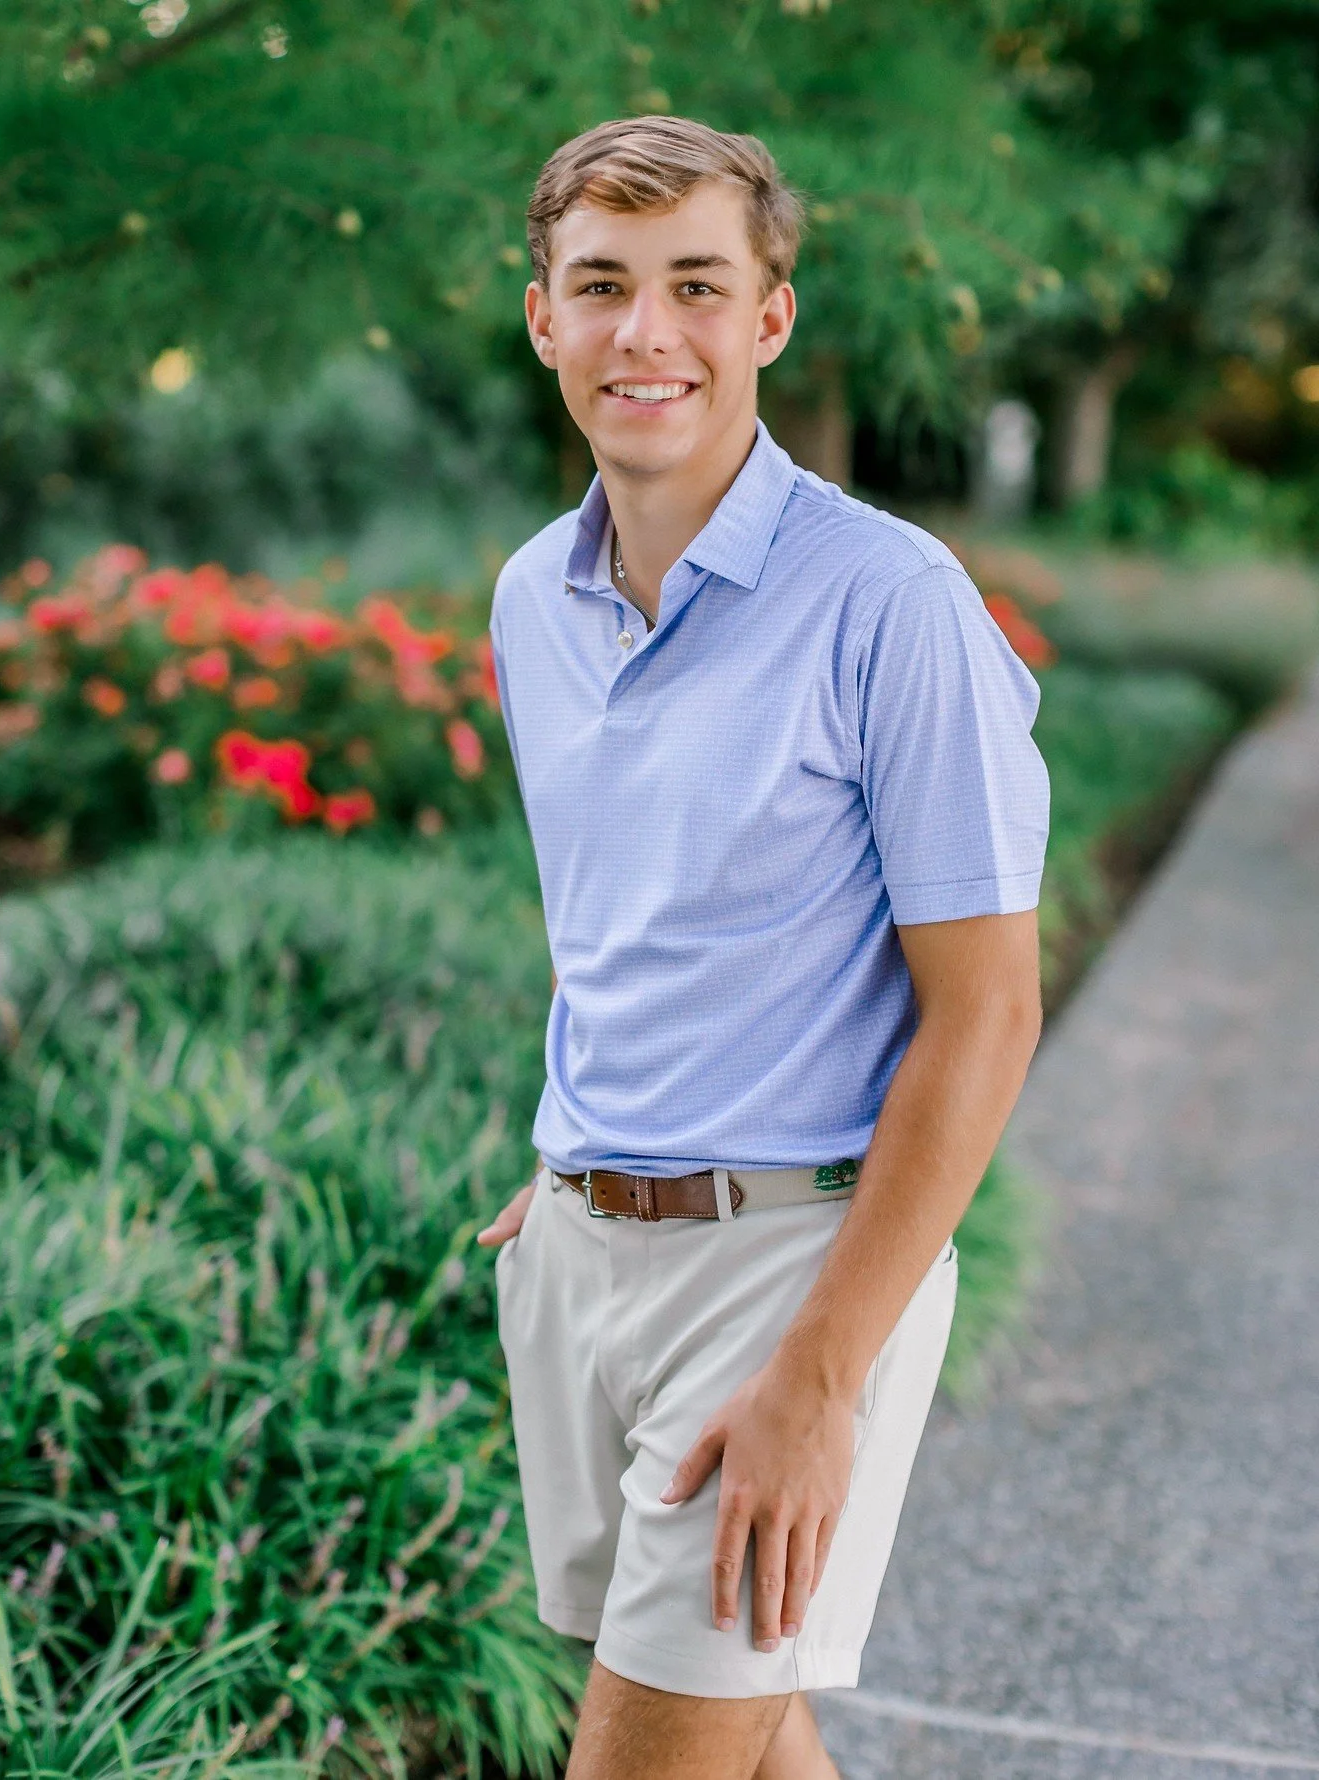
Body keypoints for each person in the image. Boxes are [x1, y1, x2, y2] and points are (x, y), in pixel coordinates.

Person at [475, 114, 1049, 1780]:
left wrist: (822, 1366)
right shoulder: (532, 596)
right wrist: (586, 1149)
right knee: (741, 1728)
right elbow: (617, 924)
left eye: (695, 287)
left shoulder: (891, 601)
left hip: (789, 1267)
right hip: (582, 1249)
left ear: (769, 321)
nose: (644, 332)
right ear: (543, 320)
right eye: (601, 287)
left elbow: (989, 1018)